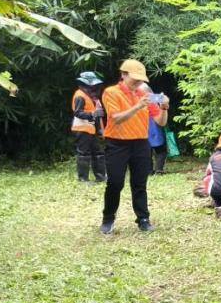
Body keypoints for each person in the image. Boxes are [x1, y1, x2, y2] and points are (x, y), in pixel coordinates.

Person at [99, 59, 156, 234]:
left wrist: (164, 105)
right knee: (115, 182)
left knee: (140, 183)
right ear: (123, 75)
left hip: (140, 143)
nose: (138, 82)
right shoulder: (111, 92)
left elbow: (160, 118)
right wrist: (138, 106)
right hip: (117, 143)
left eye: (140, 79)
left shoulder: (143, 94)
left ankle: (143, 219)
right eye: (135, 78)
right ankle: (108, 219)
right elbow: (116, 118)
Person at [70, 71, 106, 183]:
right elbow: (77, 112)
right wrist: (93, 114)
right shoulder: (80, 96)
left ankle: (101, 177)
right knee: (83, 153)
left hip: (90, 129)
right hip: (81, 129)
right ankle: (83, 179)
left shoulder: (88, 96)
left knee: (98, 152)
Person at [147, 91, 171, 175]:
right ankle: (159, 169)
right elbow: (164, 99)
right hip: (154, 125)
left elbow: (164, 99)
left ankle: (149, 171)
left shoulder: (133, 97)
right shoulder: (150, 97)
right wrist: (162, 97)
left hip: (144, 127)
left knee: (147, 151)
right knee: (161, 150)